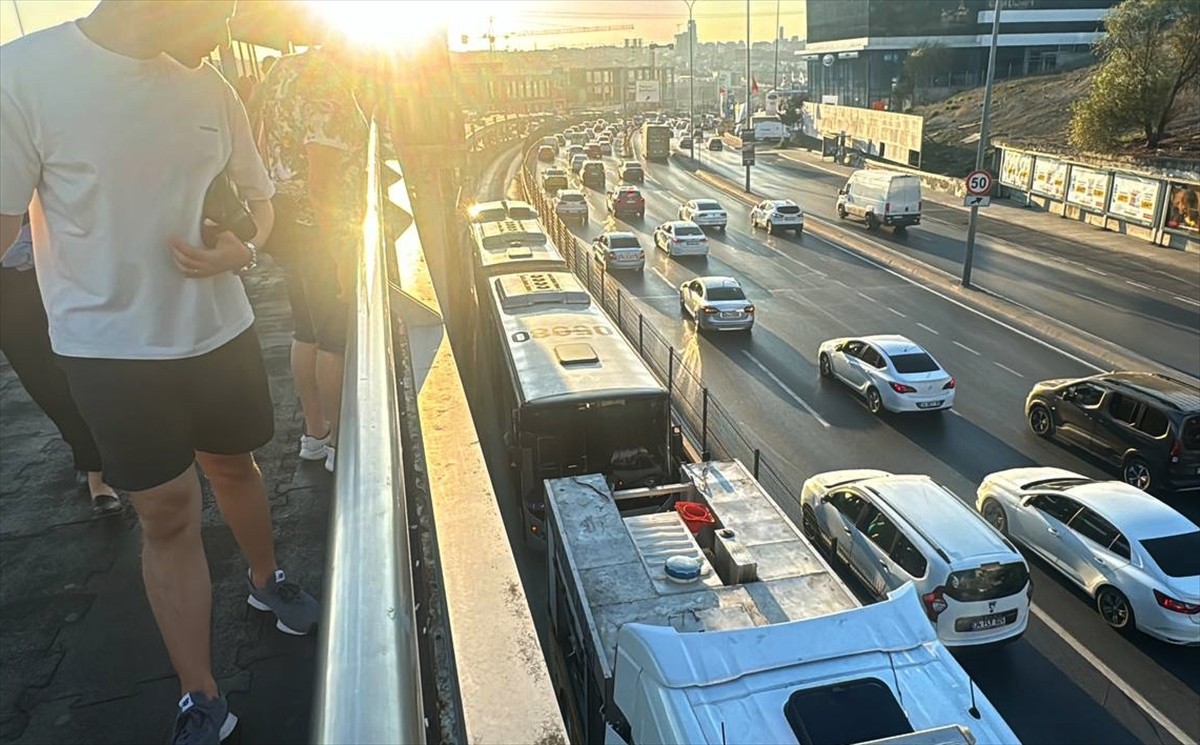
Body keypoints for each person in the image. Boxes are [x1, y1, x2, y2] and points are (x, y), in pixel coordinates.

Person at [0, 2, 319, 742]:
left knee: (236, 467)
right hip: (108, 348)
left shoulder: (210, 88)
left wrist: (241, 250)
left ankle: (267, 580)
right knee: (167, 511)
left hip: (221, 330)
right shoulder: (25, 74)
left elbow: (261, 204)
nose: (232, 18)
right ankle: (200, 692)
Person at [249, 35, 369, 474]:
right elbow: (324, 187)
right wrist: (339, 254)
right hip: (319, 232)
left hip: (287, 224)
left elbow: (261, 141)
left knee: (305, 332)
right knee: (334, 341)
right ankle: (339, 442)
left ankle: (314, 432)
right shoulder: (328, 90)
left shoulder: (284, 69)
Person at [0, 216, 120, 513]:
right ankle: (90, 456)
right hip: (9, 283)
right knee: (41, 378)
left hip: (65, 255)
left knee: (99, 357)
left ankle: (105, 460)